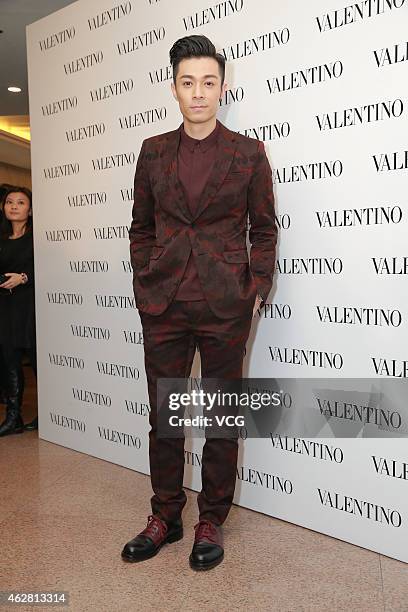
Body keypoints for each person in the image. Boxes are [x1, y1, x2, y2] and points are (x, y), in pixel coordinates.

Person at [123, 35, 278, 570]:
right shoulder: (153, 151)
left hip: (224, 306)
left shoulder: (249, 153)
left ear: (222, 87)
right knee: (164, 416)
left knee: (221, 417)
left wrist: (255, 287)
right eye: (188, 83)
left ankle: (211, 516)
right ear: (174, 87)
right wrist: (145, 280)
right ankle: (166, 514)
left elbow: (265, 228)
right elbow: (140, 228)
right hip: (164, 303)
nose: (198, 93)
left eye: (208, 83)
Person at [0, 186, 38, 436]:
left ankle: (50, 412)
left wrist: (23, 277)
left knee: (37, 360)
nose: (14, 206)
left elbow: (47, 268)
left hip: (31, 307)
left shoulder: (38, 238)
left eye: (21, 202)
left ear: (31, 209)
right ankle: (13, 417)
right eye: (9, 202)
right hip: (5, 306)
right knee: (9, 360)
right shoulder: (1, 239)